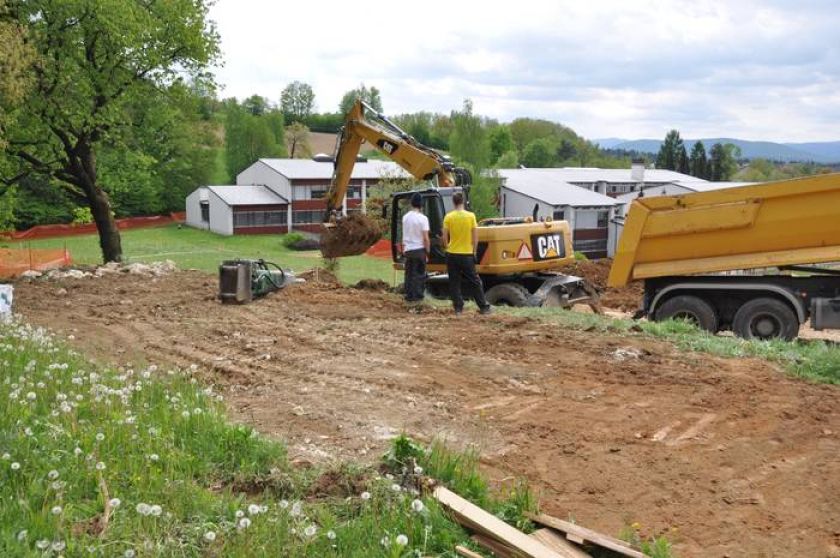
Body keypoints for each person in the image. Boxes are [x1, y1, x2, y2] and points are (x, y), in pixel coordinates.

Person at [442, 192, 491, 315]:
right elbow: (475, 237)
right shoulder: (471, 216)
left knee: (454, 282)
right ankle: (483, 307)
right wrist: (474, 251)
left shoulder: (448, 217)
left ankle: (458, 308)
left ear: (453, 202)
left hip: (452, 254)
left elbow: (444, 237)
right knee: (475, 281)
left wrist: (447, 247)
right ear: (463, 201)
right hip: (466, 254)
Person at [401, 192, 430, 303]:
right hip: (419, 250)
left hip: (408, 250)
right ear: (421, 205)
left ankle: (409, 297)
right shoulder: (423, 219)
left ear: (411, 203)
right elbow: (426, 238)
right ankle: (418, 298)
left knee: (409, 274)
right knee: (419, 275)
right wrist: (428, 251)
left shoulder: (405, 217)